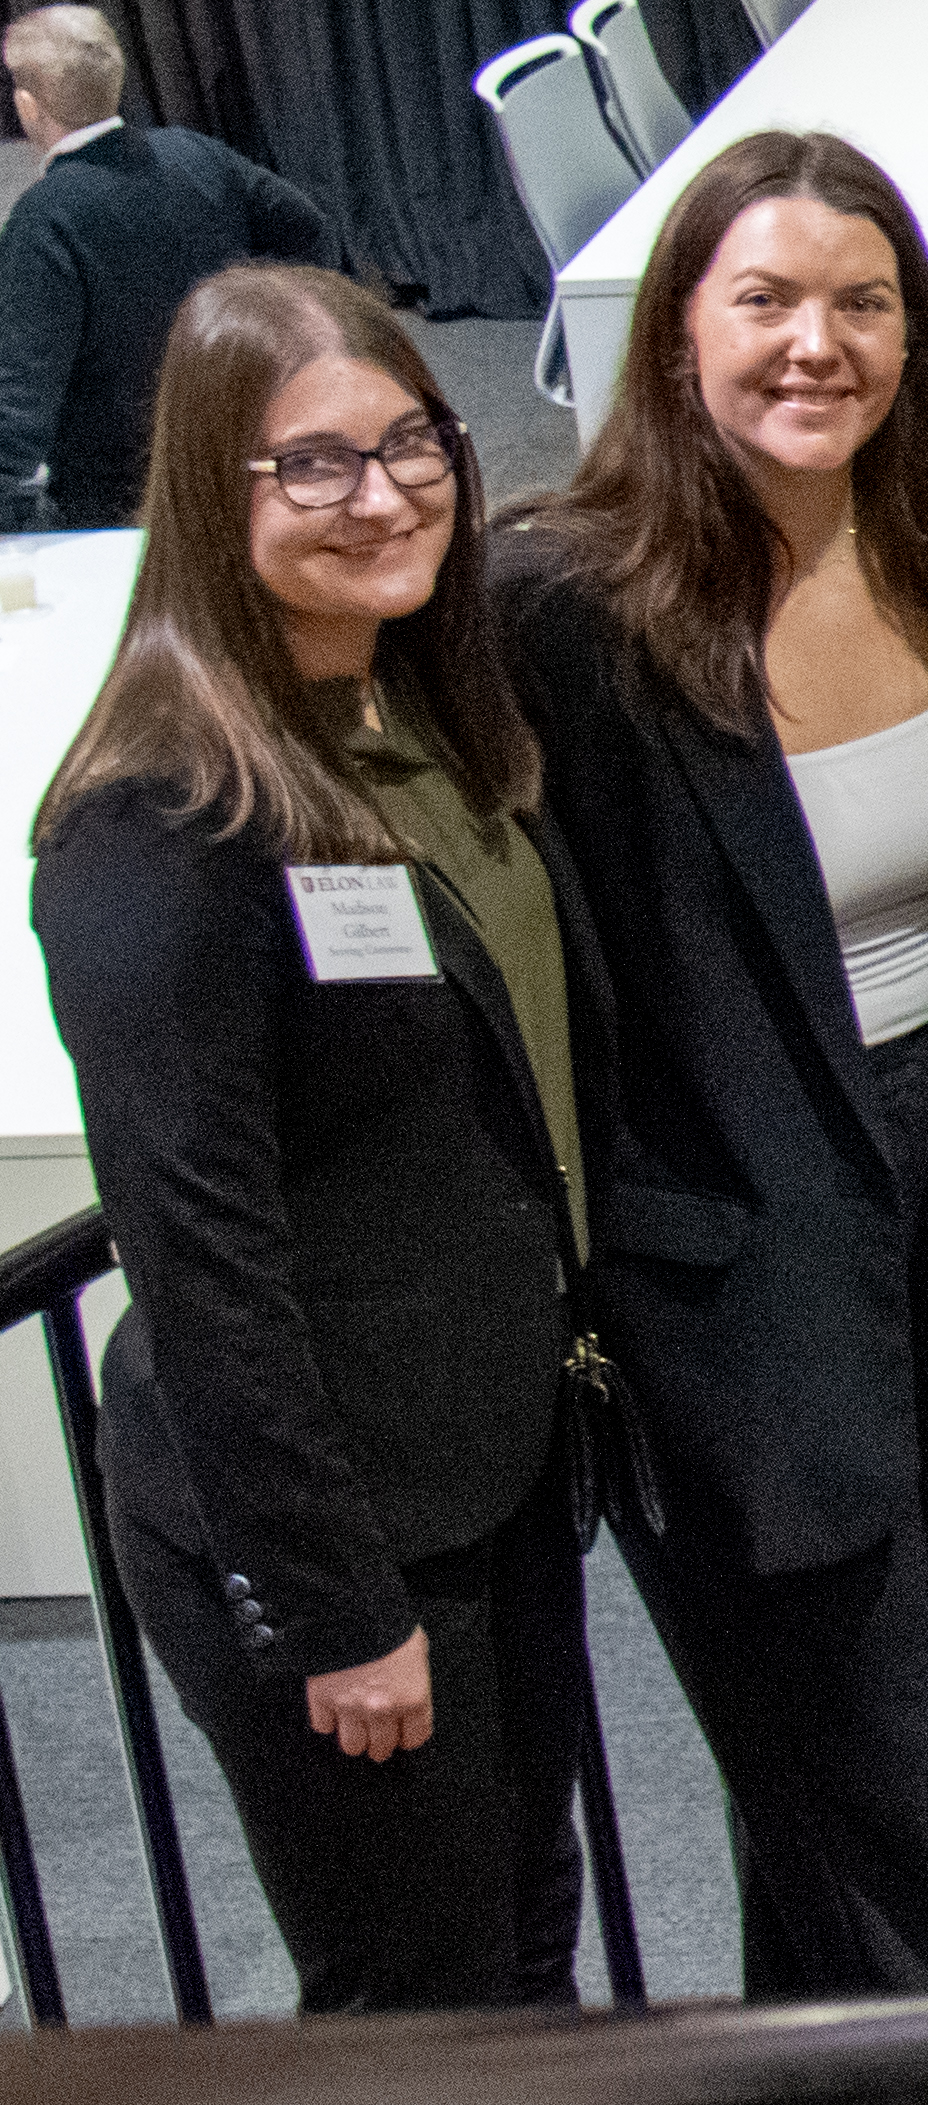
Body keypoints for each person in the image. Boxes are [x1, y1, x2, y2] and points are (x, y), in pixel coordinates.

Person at [491, 131, 928, 1993]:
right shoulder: (562, 606)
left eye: (862, 302)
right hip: (724, 1285)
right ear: (674, 332)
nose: (815, 343)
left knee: (887, 1733)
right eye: (765, 299)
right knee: (892, 1775)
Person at [33, 266, 590, 2009]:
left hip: (480, 1465)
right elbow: (198, 1253)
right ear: (216, 492)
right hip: (333, 1526)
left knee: (520, 1943)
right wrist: (332, 1601)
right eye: (316, 465)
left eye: (411, 440)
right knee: (410, 1999)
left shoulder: (405, 711)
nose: (387, 492)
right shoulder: (159, 824)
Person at [0, 3, 341, 529]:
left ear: (28, 106)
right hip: (240, 451)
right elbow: (309, 229)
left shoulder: (44, 220)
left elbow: (21, 397)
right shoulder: (194, 151)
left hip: (118, 500)